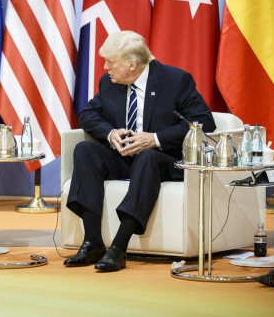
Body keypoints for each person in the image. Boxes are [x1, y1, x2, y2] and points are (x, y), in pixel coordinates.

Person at [65, 31, 216, 271]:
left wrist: (154, 139)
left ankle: (118, 247)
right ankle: (92, 241)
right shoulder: (109, 83)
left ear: (132, 64)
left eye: (111, 62)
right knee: (85, 150)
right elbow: (88, 114)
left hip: (164, 159)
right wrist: (110, 132)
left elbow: (204, 122)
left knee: (148, 156)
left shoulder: (175, 80)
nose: (106, 68)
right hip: (125, 157)